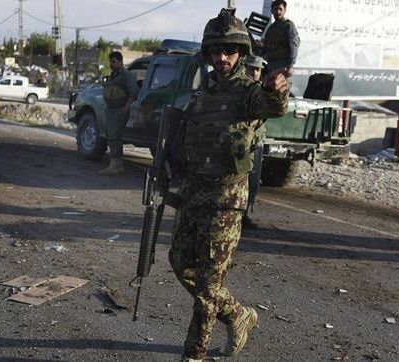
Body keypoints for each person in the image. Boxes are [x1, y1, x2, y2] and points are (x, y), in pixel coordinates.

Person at [168, 9, 288, 361]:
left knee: (207, 289)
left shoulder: (247, 91)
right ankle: (238, 313)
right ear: (208, 53)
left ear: (240, 52)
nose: (222, 58)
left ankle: (194, 354)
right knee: (178, 262)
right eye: (216, 51)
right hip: (193, 193)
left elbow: (271, 106)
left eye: (230, 51)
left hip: (226, 198)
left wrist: (275, 90)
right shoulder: (203, 91)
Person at [98, 51, 139, 176]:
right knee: (111, 136)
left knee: (114, 137)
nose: (111, 64)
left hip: (119, 110)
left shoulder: (126, 75)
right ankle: (117, 165)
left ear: (120, 62)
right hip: (111, 109)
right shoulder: (115, 75)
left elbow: (134, 92)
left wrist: (126, 107)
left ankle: (114, 165)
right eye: (110, 61)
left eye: (114, 61)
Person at [242, 55, 268, 229]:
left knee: (253, 181)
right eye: (251, 68)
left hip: (256, 144)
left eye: (257, 70)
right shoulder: (240, 88)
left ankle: (246, 214)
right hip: (241, 145)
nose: (254, 73)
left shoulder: (262, 90)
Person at [260, 0, 300, 82]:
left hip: (282, 66)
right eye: (275, 9)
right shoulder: (271, 28)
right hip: (270, 65)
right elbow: (266, 47)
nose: (278, 12)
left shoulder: (289, 26)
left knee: (279, 90)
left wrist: (290, 66)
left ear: (284, 11)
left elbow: (293, 47)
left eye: (280, 9)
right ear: (272, 11)